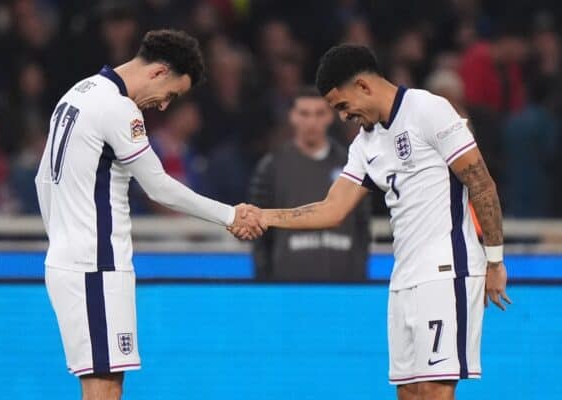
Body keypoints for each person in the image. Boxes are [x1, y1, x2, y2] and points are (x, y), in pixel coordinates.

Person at [232, 44, 511, 400]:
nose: (344, 116)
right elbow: (332, 209)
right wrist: (264, 216)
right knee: (408, 390)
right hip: (404, 276)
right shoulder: (366, 143)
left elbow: (481, 182)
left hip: (447, 268)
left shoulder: (429, 109)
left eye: (343, 106)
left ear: (363, 86)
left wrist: (494, 259)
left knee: (435, 389)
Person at [35, 29, 263, 400]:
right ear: (158, 71)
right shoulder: (118, 108)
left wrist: (62, 240)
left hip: (72, 260)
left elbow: (42, 178)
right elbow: (158, 186)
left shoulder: (78, 93)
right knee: (105, 388)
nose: (164, 106)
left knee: (100, 384)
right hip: (97, 265)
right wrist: (230, 215)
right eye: (171, 93)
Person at [249, 86, 371, 281]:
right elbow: (259, 233)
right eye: (304, 114)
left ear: (330, 116)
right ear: (292, 116)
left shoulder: (352, 163)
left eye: (319, 113)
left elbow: (362, 226)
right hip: (286, 286)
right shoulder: (271, 167)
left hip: (344, 286)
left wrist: (359, 276)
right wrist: (265, 283)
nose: (312, 122)